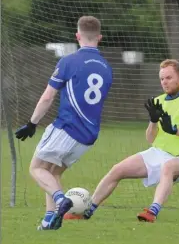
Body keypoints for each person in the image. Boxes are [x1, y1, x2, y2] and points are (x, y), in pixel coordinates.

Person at [15, 16, 113, 230]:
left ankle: (61, 200)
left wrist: (32, 123)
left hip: (67, 128)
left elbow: (48, 97)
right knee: (53, 173)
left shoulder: (69, 61)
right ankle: (49, 219)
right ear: (100, 37)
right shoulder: (106, 68)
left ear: (77, 36)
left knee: (36, 169)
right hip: (88, 136)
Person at [82, 59, 179, 222]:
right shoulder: (159, 101)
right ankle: (87, 211)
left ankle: (152, 212)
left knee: (168, 167)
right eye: (162, 79)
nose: (164, 82)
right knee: (117, 170)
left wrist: (175, 130)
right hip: (159, 152)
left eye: (169, 78)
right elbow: (150, 138)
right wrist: (153, 120)